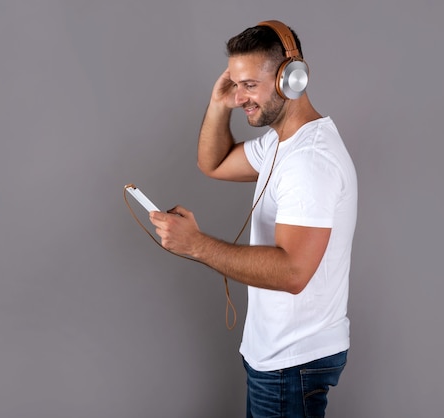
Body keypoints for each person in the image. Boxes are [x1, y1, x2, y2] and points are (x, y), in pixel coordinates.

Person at [149, 20, 357, 418]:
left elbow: (293, 272)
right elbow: (213, 162)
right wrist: (217, 103)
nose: (240, 96)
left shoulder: (309, 161)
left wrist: (195, 244)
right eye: (234, 82)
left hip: (292, 360)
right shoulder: (280, 145)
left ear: (290, 79)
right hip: (278, 355)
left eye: (249, 85)